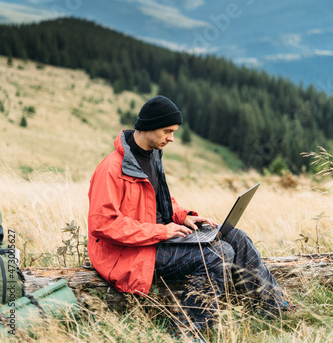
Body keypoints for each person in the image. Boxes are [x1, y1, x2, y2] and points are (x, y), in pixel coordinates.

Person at [87, 96, 296, 342]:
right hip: (129, 252)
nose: (171, 138)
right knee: (219, 253)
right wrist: (162, 232)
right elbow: (103, 225)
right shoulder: (112, 168)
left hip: (156, 238)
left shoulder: (152, 155)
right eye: (167, 131)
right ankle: (188, 331)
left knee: (236, 238)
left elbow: (158, 200)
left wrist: (184, 217)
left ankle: (273, 307)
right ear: (150, 126)